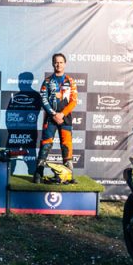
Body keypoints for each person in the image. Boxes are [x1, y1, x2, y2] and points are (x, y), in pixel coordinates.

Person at [34, 53, 78, 183]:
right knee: (45, 145)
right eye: (56, 62)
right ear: (53, 64)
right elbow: (43, 99)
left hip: (66, 118)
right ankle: (38, 174)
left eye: (61, 62)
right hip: (50, 118)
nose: (58, 64)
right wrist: (54, 114)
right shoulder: (47, 81)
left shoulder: (70, 81)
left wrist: (62, 114)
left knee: (66, 145)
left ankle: (68, 175)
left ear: (65, 64)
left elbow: (74, 101)